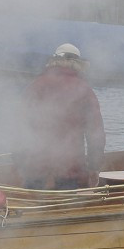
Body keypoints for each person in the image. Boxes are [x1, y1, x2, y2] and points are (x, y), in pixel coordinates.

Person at [17, 43, 105, 190]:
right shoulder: (84, 90)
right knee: (65, 209)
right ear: (78, 64)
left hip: (34, 167)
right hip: (69, 169)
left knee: (32, 208)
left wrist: (19, 162)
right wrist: (94, 167)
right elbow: (95, 134)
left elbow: (19, 127)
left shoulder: (34, 86)